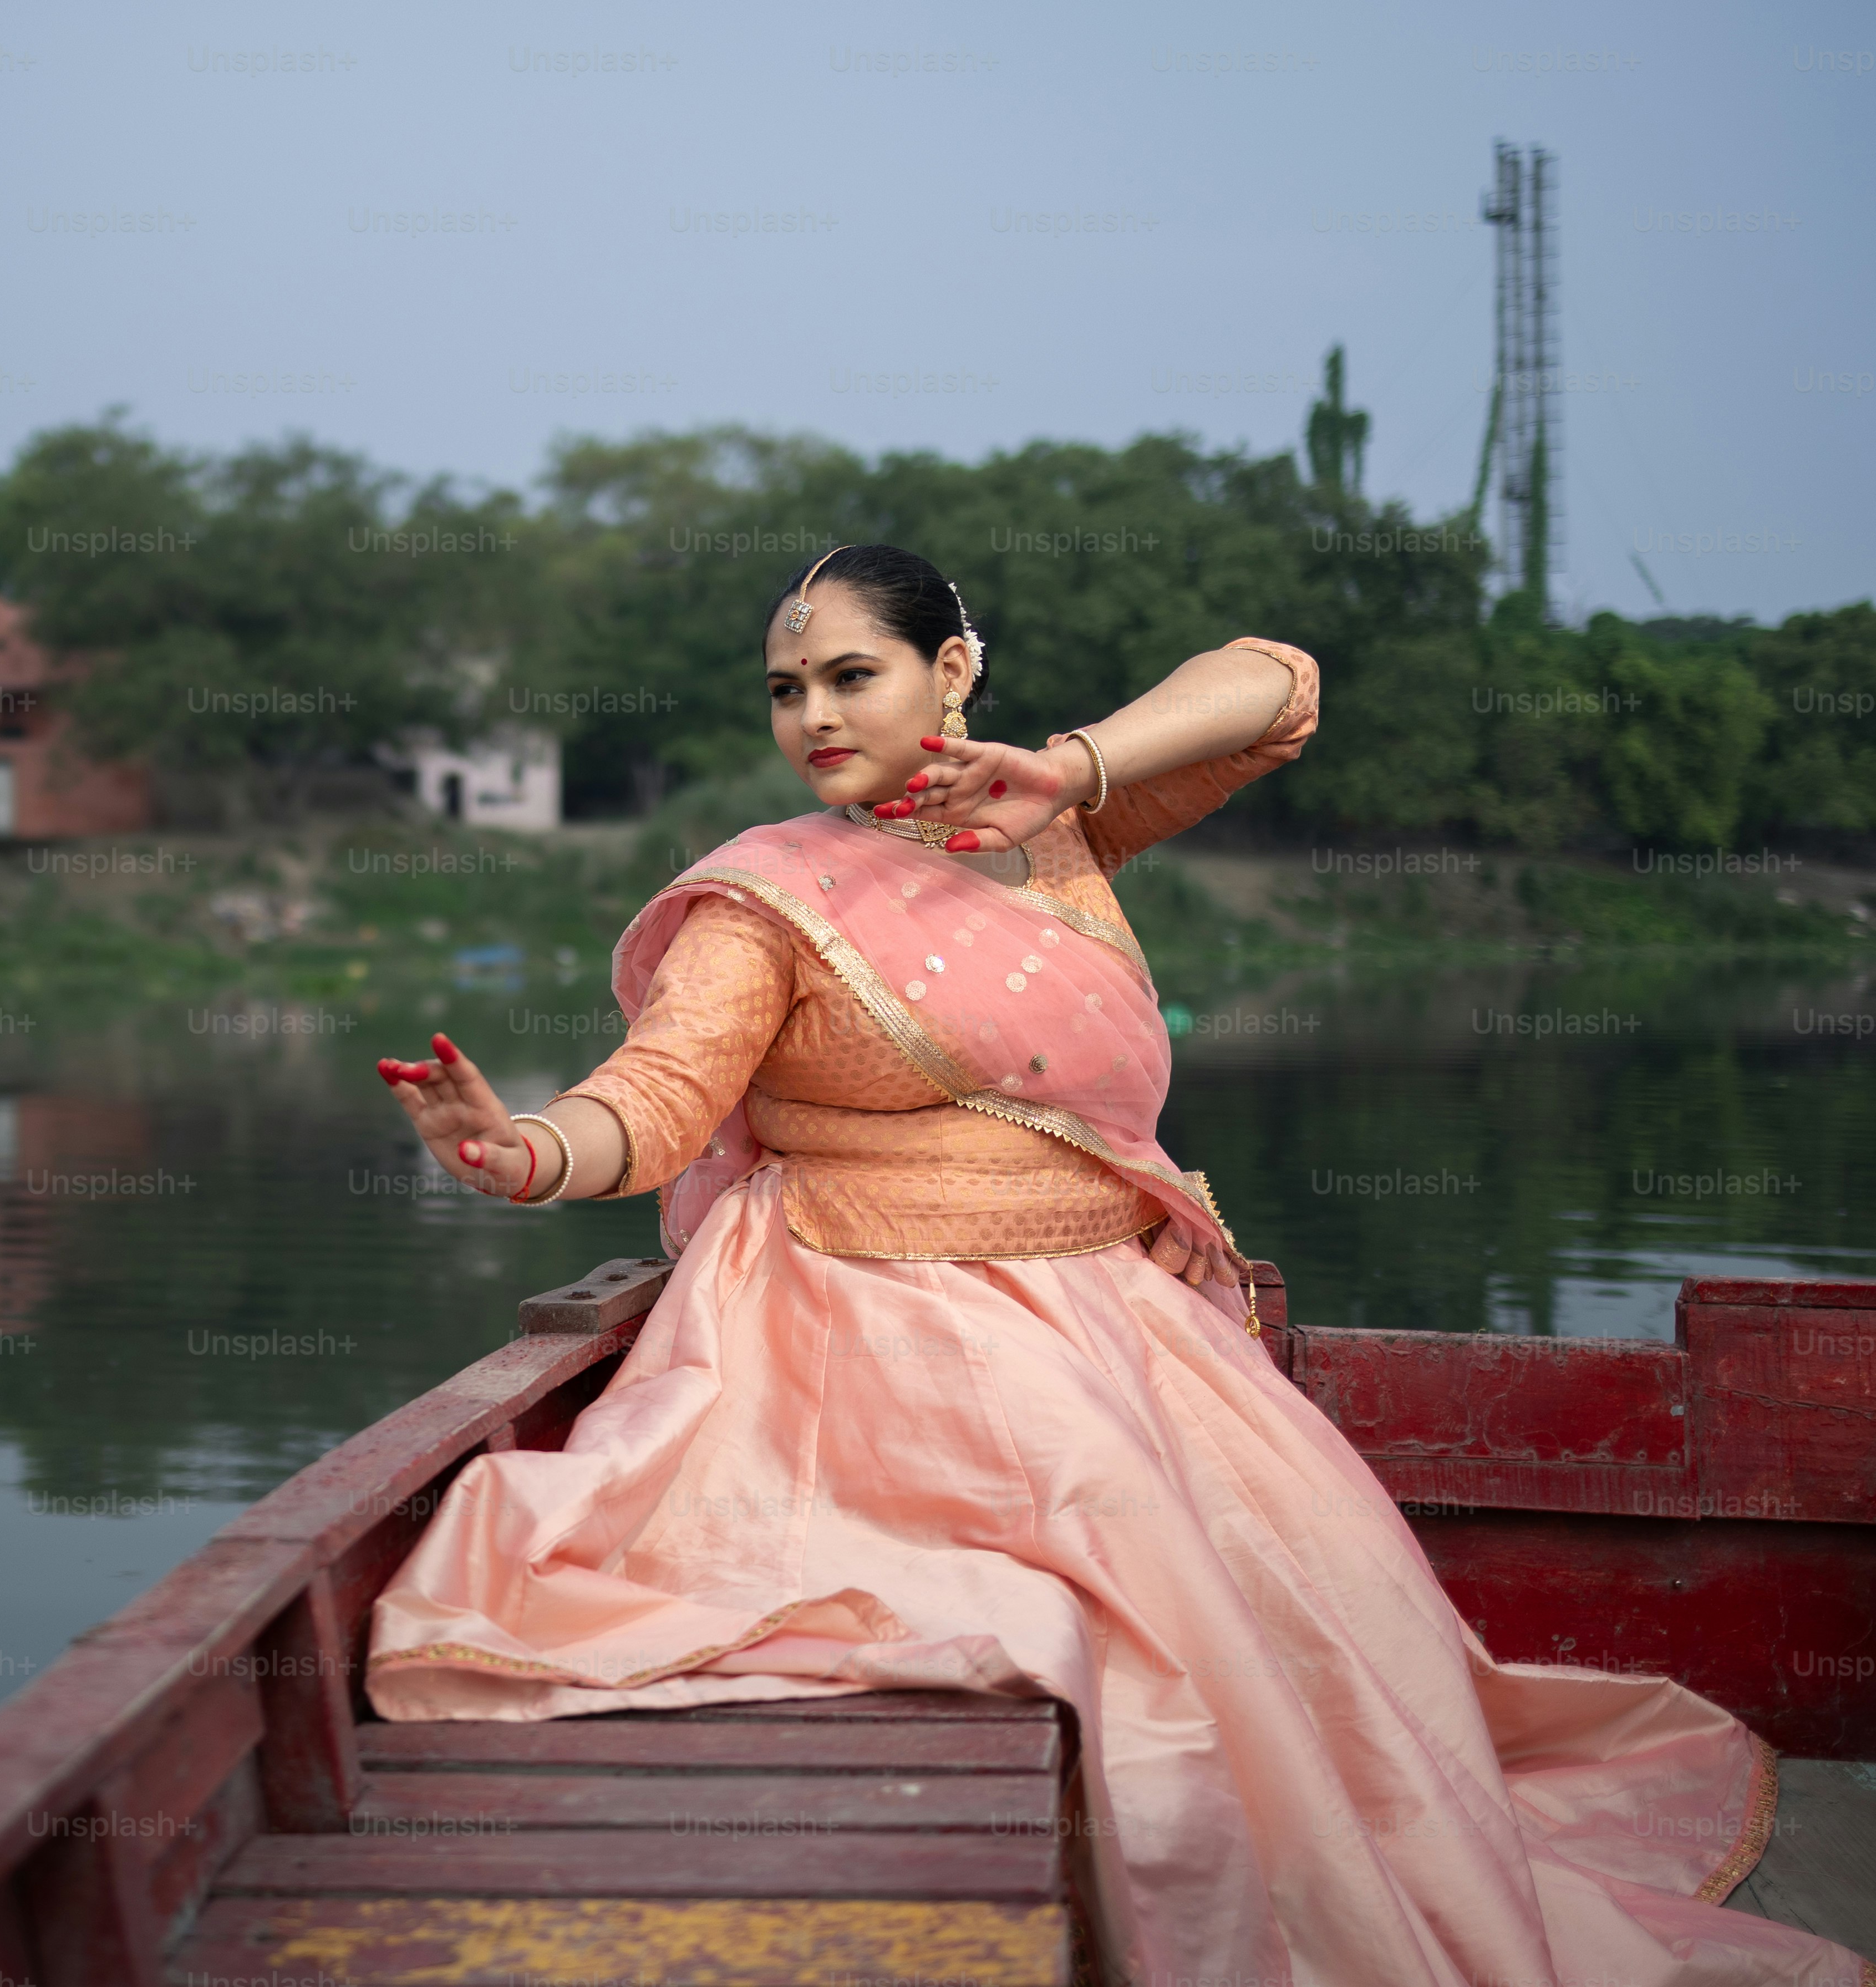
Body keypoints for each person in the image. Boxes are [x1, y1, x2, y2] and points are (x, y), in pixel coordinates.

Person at [368, 545, 1862, 1986]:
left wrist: (1066, 770)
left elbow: (1276, 686)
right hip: (866, 1317)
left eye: (847, 674)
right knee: (1108, 1595)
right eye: (782, 689)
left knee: (1326, 1622)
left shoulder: (1050, 831)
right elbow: (658, 1094)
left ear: (948, 670)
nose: (810, 717)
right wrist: (520, 1153)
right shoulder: (768, 892)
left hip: (1118, 1319)